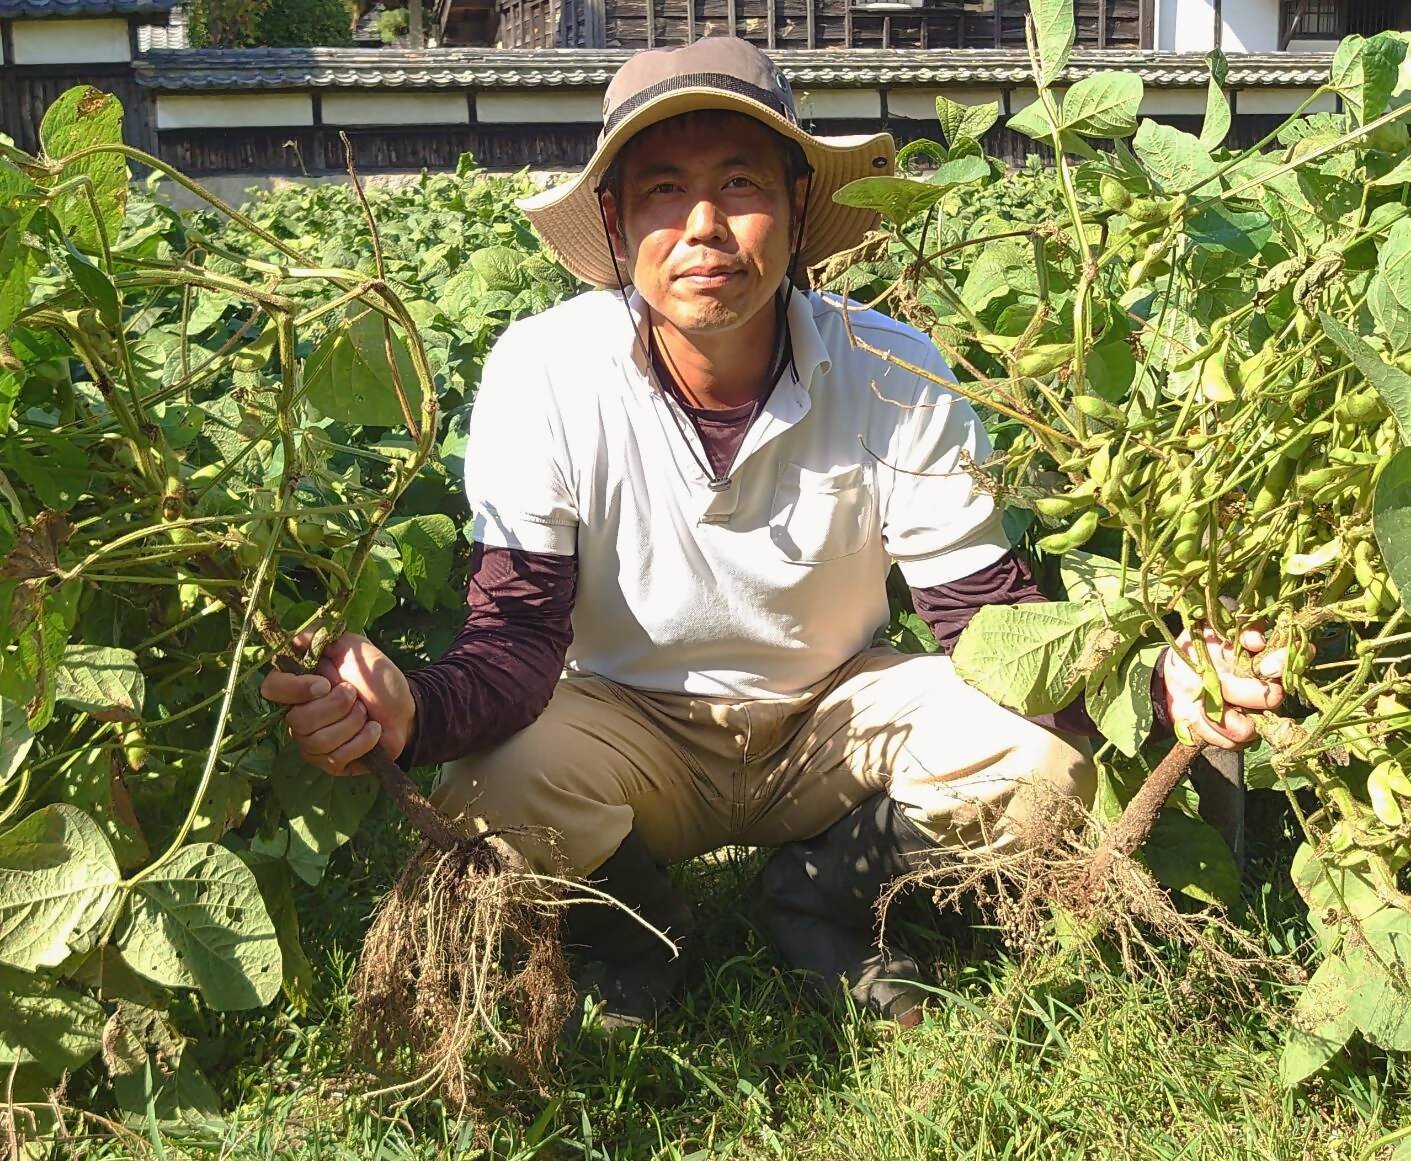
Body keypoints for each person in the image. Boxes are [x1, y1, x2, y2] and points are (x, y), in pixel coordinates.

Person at [261, 38, 1289, 1029]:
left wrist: (1156, 684)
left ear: (799, 211)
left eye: (742, 185)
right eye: (662, 189)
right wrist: (414, 711)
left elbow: (984, 623)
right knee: (490, 787)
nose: (703, 226)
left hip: (835, 714)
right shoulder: (545, 371)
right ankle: (635, 930)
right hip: (628, 724)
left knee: (1041, 765)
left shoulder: (892, 365)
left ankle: (826, 895)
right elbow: (517, 639)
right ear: (615, 226)